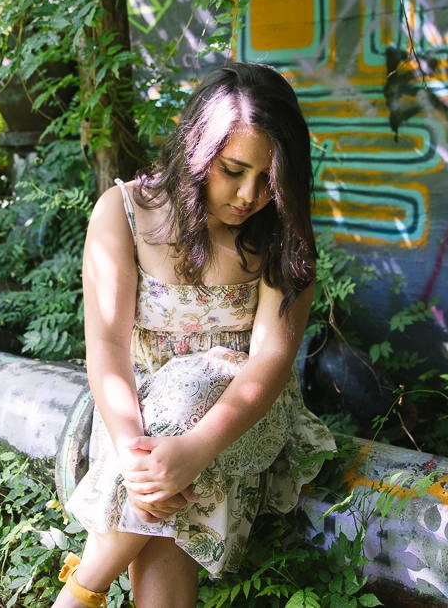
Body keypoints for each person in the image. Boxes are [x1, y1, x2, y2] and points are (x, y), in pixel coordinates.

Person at [54, 62, 336, 607]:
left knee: (185, 400)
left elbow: (269, 363)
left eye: (268, 180)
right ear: (196, 149)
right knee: (165, 500)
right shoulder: (123, 213)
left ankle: (80, 592)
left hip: (237, 419)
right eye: (233, 170)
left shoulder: (283, 237)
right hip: (133, 419)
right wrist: (139, 459)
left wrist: (195, 449)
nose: (249, 195)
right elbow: (107, 349)